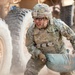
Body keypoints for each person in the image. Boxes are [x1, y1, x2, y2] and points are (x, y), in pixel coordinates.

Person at [24, 3, 75, 75]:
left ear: (47, 18)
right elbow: (29, 46)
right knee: (29, 72)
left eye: (40, 19)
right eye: (35, 18)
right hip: (41, 55)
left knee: (67, 72)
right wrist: (38, 54)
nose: (37, 21)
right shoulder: (31, 30)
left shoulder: (57, 25)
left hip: (59, 53)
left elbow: (72, 36)